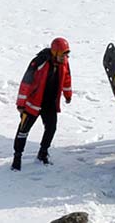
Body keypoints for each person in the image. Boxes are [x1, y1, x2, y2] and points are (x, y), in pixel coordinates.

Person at [13, 37, 72, 171]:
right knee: (23, 131)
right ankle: (17, 156)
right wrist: (21, 104)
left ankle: (43, 153)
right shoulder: (39, 62)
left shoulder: (64, 62)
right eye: (63, 54)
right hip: (32, 104)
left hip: (50, 103)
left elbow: (67, 78)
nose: (65, 57)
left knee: (51, 128)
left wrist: (68, 95)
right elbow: (26, 82)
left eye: (66, 54)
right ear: (55, 52)